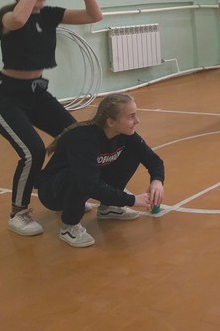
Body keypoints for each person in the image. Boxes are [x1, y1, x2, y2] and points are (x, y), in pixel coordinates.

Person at [0, 0, 103, 237]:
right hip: (6, 96)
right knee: (33, 151)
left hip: (37, 93)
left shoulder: (50, 15)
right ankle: (18, 212)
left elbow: (95, 15)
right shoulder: (8, 14)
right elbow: (18, 20)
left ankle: (65, 192)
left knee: (76, 137)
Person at [37, 93, 165, 248]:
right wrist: (132, 200)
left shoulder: (125, 133)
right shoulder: (83, 139)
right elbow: (88, 184)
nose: (137, 121)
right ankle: (69, 226)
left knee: (133, 153)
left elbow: (153, 159)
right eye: (131, 116)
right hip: (53, 192)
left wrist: (157, 181)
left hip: (83, 183)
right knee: (82, 176)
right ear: (111, 122)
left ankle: (108, 207)